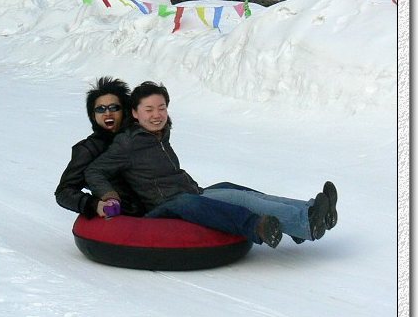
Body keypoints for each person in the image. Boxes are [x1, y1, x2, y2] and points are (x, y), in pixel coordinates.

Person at [84, 81, 339, 248]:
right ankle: (265, 226)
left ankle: (308, 214)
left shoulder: (159, 136)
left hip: (189, 193)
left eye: (161, 108)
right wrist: (108, 197)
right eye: (149, 109)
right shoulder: (128, 143)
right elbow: (94, 170)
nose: (157, 115)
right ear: (135, 113)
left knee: (241, 193)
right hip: (164, 207)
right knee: (197, 202)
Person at [55, 77, 145, 219]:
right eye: (100, 109)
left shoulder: (140, 139)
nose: (107, 113)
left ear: (125, 111)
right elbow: (64, 191)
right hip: (122, 215)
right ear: (93, 115)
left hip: (154, 209)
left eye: (114, 107)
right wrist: (94, 204)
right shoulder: (89, 149)